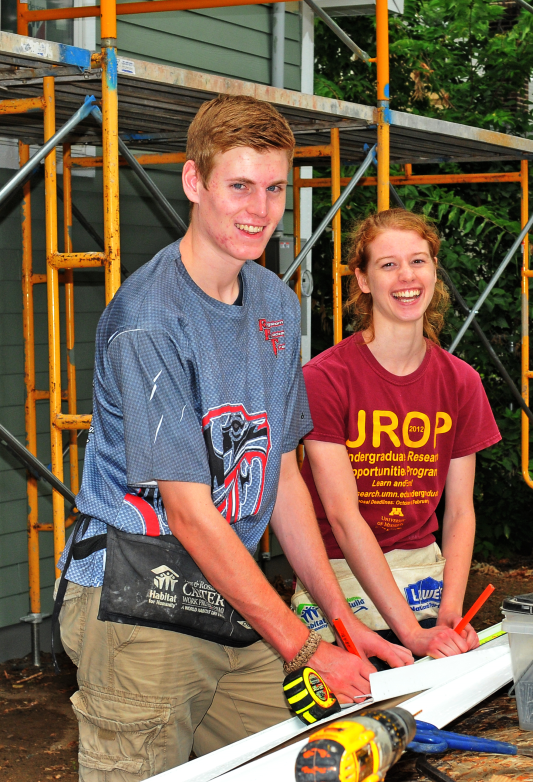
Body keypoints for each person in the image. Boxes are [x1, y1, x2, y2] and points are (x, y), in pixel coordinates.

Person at [55, 96, 412, 782]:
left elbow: (280, 475)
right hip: (137, 596)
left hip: (224, 590)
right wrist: (306, 650)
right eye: (239, 186)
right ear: (195, 183)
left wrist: (338, 620)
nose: (260, 209)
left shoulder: (275, 303)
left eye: (275, 188)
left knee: (313, 762)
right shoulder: (150, 321)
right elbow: (189, 513)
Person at [295, 209, 501, 661]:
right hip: (341, 576)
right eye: (388, 264)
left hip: (424, 573)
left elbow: (461, 511)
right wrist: (409, 632)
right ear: (363, 280)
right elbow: (344, 517)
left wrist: (450, 613)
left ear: (433, 270)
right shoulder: (325, 378)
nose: (406, 276)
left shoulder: (461, 381)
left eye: (418, 261)